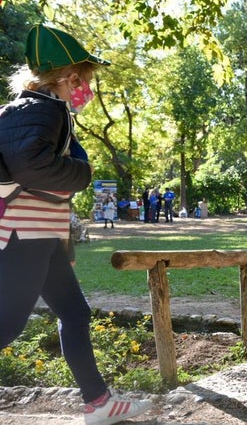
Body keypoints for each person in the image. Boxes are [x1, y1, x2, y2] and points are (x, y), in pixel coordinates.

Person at [0, 24, 151, 425]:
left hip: (39, 236)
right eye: (84, 79)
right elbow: (33, 167)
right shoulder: (45, 111)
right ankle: (98, 402)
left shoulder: (27, 109)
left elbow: (40, 184)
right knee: (8, 323)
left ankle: (98, 403)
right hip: (24, 235)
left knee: (75, 312)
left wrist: (62, 248)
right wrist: (82, 174)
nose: (87, 87)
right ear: (69, 78)